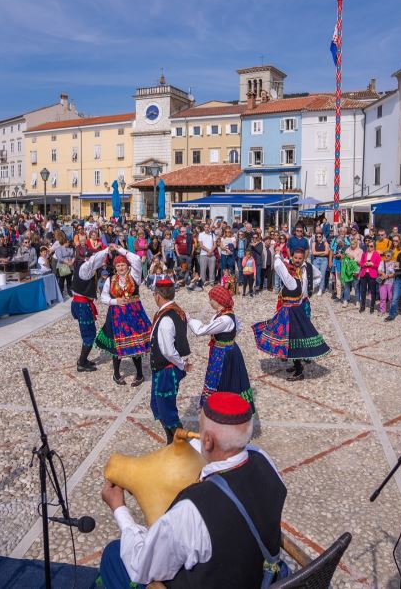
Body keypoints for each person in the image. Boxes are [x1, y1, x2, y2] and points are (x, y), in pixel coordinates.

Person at [98, 392, 285, 588]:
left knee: (114, 554)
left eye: (201, 429)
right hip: (257, 575)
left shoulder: (192, 510)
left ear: (208, 441)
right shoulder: (264, 460)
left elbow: (142, 567)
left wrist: (119, 509)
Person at [252, 247, 330, 382]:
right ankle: (296, 364)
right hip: (293, 309)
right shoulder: (294, 278)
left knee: (296, 339)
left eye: (300, 258)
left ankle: (299, 369)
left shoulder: (293, 279)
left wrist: (277, 254)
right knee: (295, 339)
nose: (297, 261)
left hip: (296, 310)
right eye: (295, 259)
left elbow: (278, 266)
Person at [189, 285, 254, 411]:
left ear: (218, 301)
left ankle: (223, 409)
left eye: (211, 299)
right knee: (227, 379)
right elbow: (238, 328)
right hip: (227, 350)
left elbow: (201, 330)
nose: (209, 301)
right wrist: (228, 339)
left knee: (224, 379)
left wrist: (189, 319)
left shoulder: (224, 319)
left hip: (224, 355)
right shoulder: (226, 314)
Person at [96, 246, 152, 386]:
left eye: (123, 264)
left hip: (134, 314)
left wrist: (119, 249)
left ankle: (139, 374)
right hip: (116, 315)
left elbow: (137, 259)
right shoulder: (111, 280)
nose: (121, 267)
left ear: (127, 265)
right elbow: (103, 297)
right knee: (117, 344)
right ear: (115, 267)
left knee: (135, 343)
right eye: (118, 265)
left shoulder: (134, 276)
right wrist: (115, 301)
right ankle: (116, 373)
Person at [147, 277, 191, 443]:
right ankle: (171, 441)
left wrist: (182, 365)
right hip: (165, 369)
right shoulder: (176, 310)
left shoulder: (166, 318)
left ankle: (180, 447)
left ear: (158, 295)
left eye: (154, 294)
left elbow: (168, 351)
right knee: (158, 406)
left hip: (167, 370)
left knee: (167, 410)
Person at [70, 245, 110, 372]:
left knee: (89, 332)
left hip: (81, 303)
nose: (103, 261)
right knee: (89, 335)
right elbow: (94, 260)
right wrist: (107, 250)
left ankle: (84, 359)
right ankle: (81, 363)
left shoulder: (84, 266)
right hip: (82, 305)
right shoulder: (86, 267)